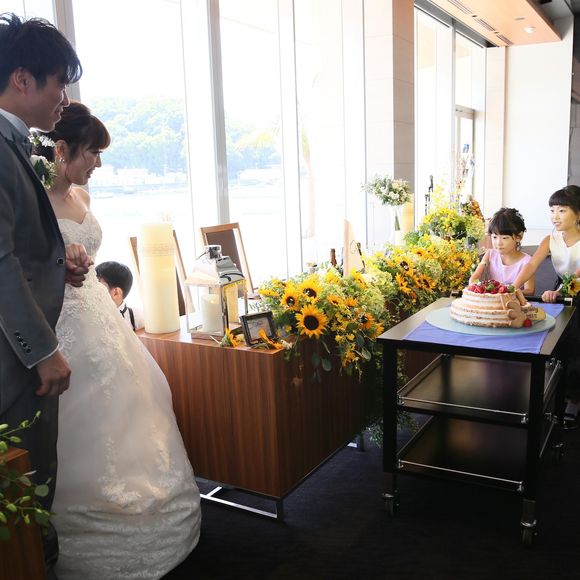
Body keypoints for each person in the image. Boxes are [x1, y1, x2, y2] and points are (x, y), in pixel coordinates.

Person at [36, 102, 201, 580]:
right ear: (62, 149)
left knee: (136, 404)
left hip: (101, 317)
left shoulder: (83, 197)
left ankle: (157, 514)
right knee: (81, 424)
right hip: (61, 321)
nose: (98, 164)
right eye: (92, 153)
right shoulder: (33, 200)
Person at [0, 13, 89, 578]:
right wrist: (43, 351)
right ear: (23, 78)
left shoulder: (15, 142)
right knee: (30, 481)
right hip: (15, 358)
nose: (64, 97)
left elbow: (24, 250)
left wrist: (63, 263)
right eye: (59, 81)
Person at [513, 185, 580, 428]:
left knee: (576, 344)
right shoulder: (550, 239)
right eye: (552, 210)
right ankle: (560, 391)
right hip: (560, 290)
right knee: (556, 340)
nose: (555, 216)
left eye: (562, 210)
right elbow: (531, 266)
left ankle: (574, 399)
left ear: (578, 214)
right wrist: (512, 287)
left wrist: (559, 292)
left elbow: (577, 276)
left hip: (573, 289)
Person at [469, 207, 535, 294]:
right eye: (494, 237)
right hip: (492, 301)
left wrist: (508, 293)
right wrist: (475, 285)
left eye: (504, 238)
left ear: (518, 237)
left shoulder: (527, 261)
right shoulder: (490, 254)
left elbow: (530, 290)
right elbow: (475, 277)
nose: (498, 243)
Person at [96, 260, 144, 331]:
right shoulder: (92, 317)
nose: (93, 291)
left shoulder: (137, 316)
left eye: (98, 287)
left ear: (116, 293)